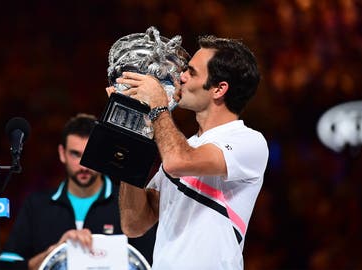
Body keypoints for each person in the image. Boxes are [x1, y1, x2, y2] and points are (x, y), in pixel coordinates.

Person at [109, 35, 269, 269]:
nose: (180, 77)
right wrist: (133, 130)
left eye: (191, 72)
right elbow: (134, 224)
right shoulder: (184, 146)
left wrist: (158, 106)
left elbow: (177, 161)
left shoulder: (248, 141)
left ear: (218, 89)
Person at [0, 113, 156, 270]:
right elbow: (6, 265)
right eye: (75, 154)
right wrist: (54, 254)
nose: (83, 166)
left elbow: (152, 263)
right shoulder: (36, 205)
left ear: (104, 154)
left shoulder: (128, 204)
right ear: (62, 153)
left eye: (90, 154)